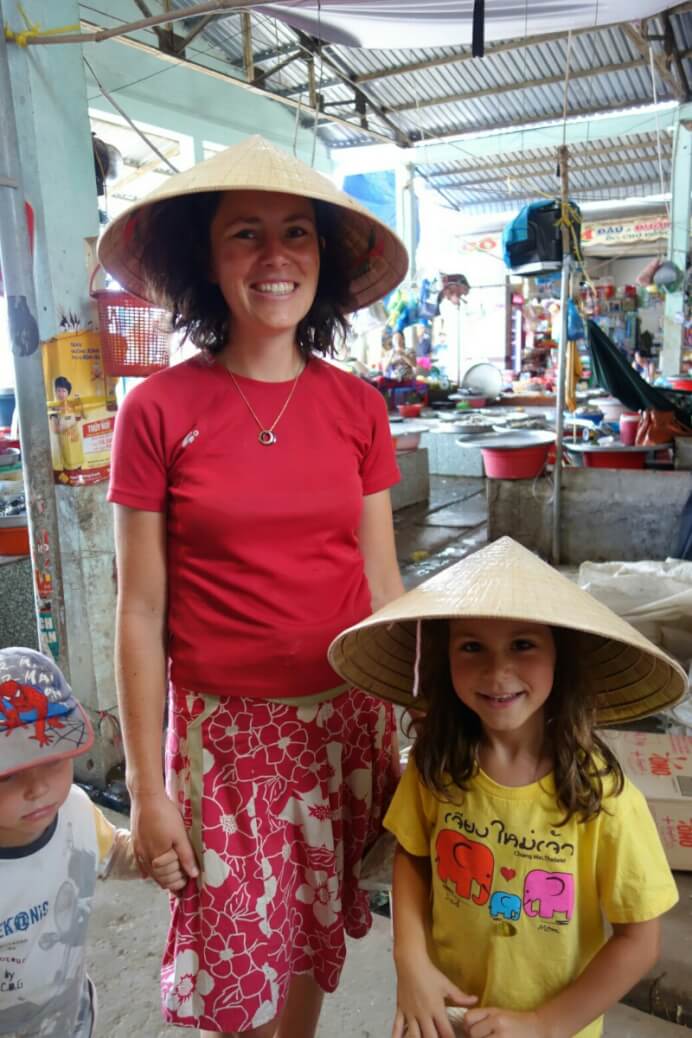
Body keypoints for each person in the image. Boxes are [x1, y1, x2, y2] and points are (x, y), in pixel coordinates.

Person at [100, 134, 409, 1038]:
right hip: (224, 742)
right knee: (234, 955)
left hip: (345, 726)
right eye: (245, 233)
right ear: (208, 258)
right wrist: (146, 789)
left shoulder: (359, 408)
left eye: (296, 233)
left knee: (314, 928)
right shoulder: (156, 410)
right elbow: (139, 609)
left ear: (323, 258)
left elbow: (384, 582)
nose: (275, 256)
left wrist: (423, 719)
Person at [328, 537, 685, 1038]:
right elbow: (412, 854)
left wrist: (544, 1024)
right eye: (471, 646)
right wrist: (409, 959)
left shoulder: (601, 795)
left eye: (523, 644)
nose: (497, 672)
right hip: (443, 1014)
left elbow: (639, 940)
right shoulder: (437, 763)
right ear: (445, 657)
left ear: (561, 657)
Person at [0, 646, 183, 1038]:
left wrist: (150, 857)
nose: (38, 788)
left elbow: (112, 852)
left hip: (71, 1020)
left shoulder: (76, 811)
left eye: (52, 759)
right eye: (8, 775)